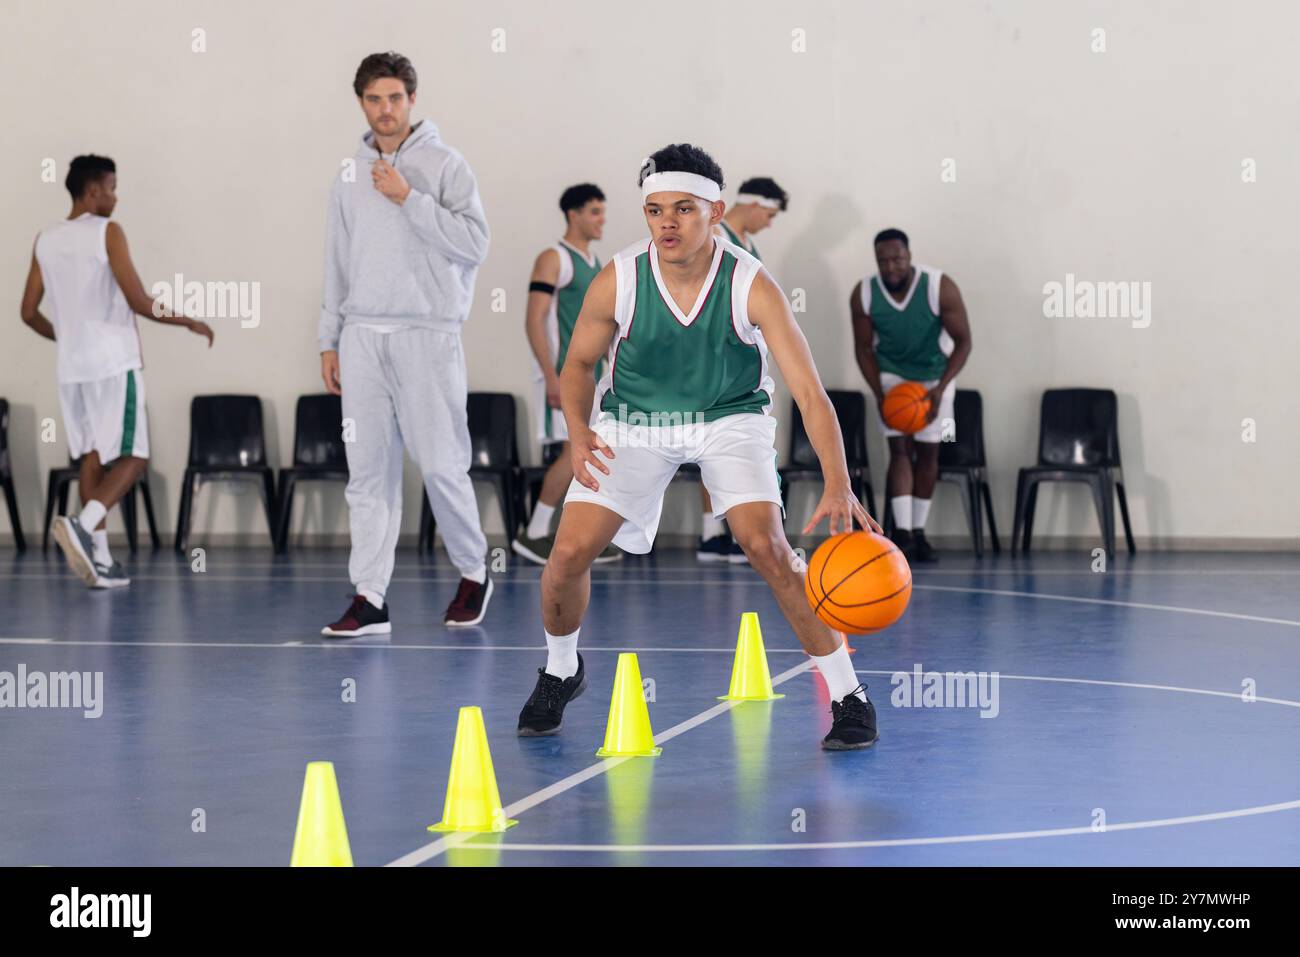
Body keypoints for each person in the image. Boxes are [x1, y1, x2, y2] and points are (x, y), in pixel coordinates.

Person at [516, 143, 883, 751]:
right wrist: (579, 432)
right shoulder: (620, 278)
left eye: (683, 209)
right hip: (634, 421)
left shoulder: (750, 284)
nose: (667, 222)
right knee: (568, 552)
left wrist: (839, 482)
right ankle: (560, 670)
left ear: (716, 212)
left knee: (766, 545)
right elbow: (578, 364)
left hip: (729, 416)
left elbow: (812, 396)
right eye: (656, 210)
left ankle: (847, 694)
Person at [318, 51, 492, 636]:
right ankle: (370, 597)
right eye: (374, 100)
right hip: (362, 335)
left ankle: (473, 571)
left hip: (427, 333)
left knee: (442, 465)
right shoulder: (347, 173)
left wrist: (407, 197)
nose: (385, 110)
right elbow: (336, 261)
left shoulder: (445, 164)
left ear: (412, 100)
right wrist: (330, 339)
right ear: (361, 103)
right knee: (366, 474)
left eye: (395, 98)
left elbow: (474, 244)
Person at [20, 154, 214, 588]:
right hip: (112, 363)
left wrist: (68, 337)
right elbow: (140, 300)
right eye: (111, 187)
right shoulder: (107, 231)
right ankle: (83, 526)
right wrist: (188, 320)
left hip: (71, 369)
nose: (115, 196)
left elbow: (28, 312)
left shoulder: (45, 239)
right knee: (134, 456)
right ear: (92, 191)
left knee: (92, 455)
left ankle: (101, 561)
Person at [850, 228, 972, 562]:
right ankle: (901, 534)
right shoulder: (864, 293)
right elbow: (863, 349)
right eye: (883, 261)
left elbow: (964, 342)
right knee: (899, 450)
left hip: (935, 378)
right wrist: (879, 393)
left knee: (929, 454)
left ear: (909, 256)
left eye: (897, 259)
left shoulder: (939, 286)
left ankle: (920, 532)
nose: (891, 267)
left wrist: (941, 389)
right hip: (892, 377)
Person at [513, 183, 618, 566]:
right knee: (568, 451)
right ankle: (535, 532)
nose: (602, 219)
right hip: (562, 375)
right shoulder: (554, 258)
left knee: (591, 450)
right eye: (594, 211)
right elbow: (534, 320)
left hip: (593, 377)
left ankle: (584, 535)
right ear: (573, 214)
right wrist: (551, 375)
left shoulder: (595, 262)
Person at [698, 177, 789, 562]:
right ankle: (711, 533)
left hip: (740, 363)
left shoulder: (748, 245)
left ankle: (728, 532)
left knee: (733, 445)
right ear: (751, 204)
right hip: (710, 361)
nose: (769, 222)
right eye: (768, 214)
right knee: (709, 441)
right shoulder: (716, 234)